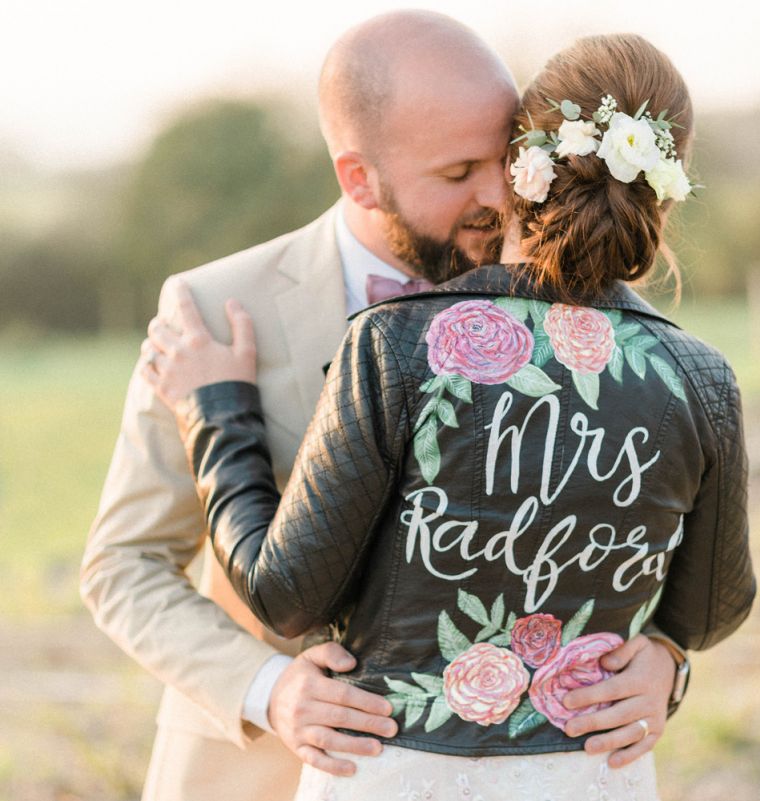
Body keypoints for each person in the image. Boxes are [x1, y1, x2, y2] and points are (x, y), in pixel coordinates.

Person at [82, 13, 682, 801]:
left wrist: (663, 655)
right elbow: (122, 564)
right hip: (247, 772)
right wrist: (269, 685)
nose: (497, 197)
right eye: (457, 170)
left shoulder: (588, 315)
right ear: (358, 177)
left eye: (505, 160)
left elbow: (644, 523)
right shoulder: (216, 307)